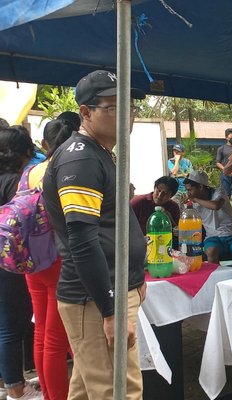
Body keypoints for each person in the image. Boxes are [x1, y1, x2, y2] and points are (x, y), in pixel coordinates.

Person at [42, 69, 147, 399]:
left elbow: (107, 228)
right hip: (95, 298)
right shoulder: (83, 159)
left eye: (129, 106)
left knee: (89, 390)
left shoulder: (99, 152)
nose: (126, 116)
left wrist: (134, 278)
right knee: (119, 391)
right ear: (85, 113)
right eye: (114, 107)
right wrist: (111, 309)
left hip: (108, 291)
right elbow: (83, 241)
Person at [23, 120, 74, 400]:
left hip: (31, 258)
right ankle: (58, 396)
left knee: (41, 330)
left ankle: (48, 393)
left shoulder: (30, 171)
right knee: (56, 338)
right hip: (57, 259)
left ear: (44, 145)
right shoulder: (65, 169)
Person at [0, 126, 43, 400]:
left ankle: (8, 380)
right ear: (26, 152)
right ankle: (16, 387)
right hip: (9, 262)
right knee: (12, 325)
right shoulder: (15, 183)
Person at [184, 171, 232, 273]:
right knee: (211, 252)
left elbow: (215, 206)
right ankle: (218, 280)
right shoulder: (192, 204)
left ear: (200, 187)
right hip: (213, 238)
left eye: (190, 190)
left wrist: (195, 199)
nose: (188, 194)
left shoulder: (219, 192)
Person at [216, 128, 232, 198]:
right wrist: (225, 169)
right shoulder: (221, 148)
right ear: (226, 137)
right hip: (225, 176)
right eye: (231, 136)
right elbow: (218, 162)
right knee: (226, 196)